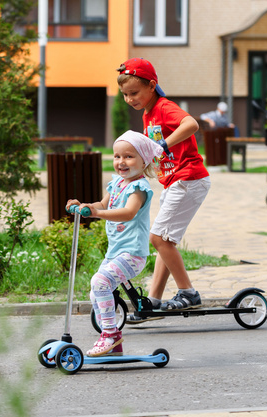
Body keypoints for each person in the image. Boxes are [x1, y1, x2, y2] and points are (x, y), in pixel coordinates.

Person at [116, 57, 211, 322]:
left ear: (152, 86)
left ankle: (188, 293)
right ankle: (153, 302)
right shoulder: (148, 113)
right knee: (164, 241)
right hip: (175, 181)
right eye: (125, 95)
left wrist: (163, 146)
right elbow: (151, 155)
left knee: (158, 238)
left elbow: (191, 125)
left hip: (189, 178)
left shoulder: (163, 107)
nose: (129, 99)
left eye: (134, 93)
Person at [65, 130, 163, 357]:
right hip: (115, 252)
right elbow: (101, 203)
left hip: (133, 254)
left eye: (129, 156)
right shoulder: (117, 182)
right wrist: (84, 206)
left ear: (143, 160)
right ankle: (113, 345)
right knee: (95, 292)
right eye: (117, 156)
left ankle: (110, 334)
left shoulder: (139, 188)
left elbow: (128, 213)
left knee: (100, 282)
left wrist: (98, 213)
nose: (121, 162)